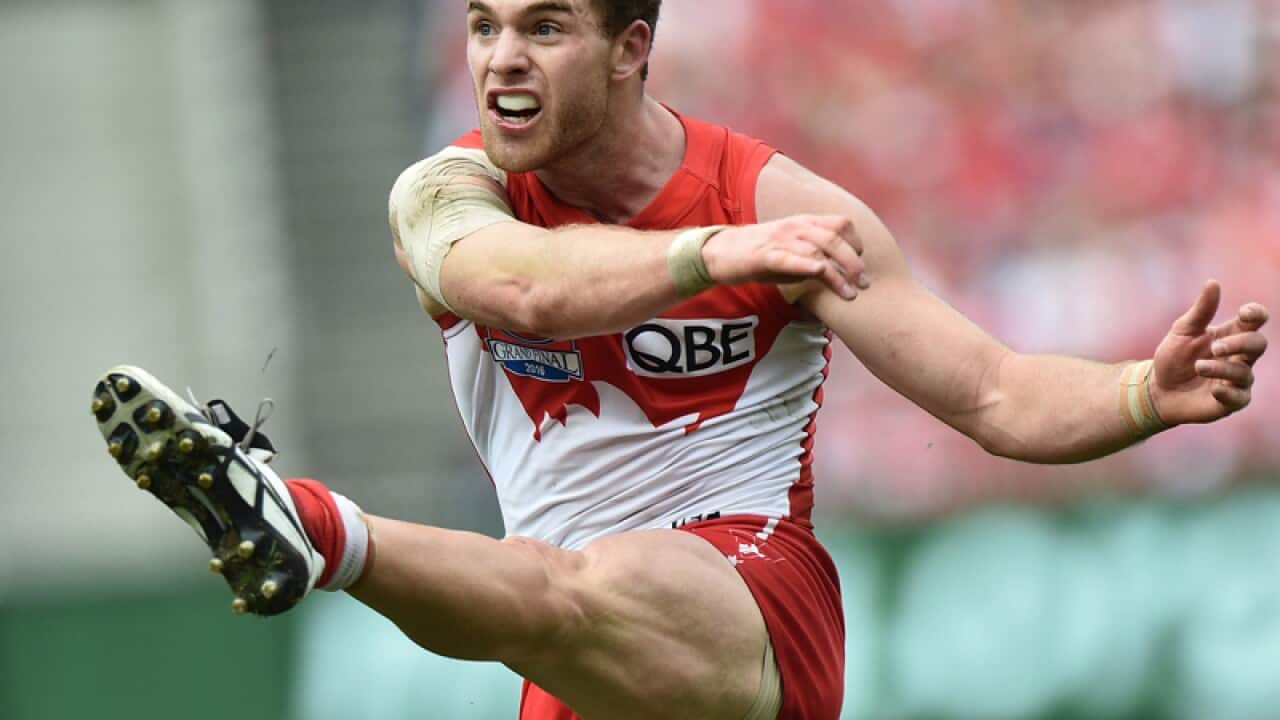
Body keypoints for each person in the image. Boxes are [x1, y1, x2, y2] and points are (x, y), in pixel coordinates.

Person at [91, 1, 1269, 718]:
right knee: (562, 595)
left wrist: (1138, 394)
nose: (501, 58)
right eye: (483, 23)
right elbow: (514, 286)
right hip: (575, 651)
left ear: (629, 48)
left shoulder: (788, 210)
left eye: (545, 26)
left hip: (747, 606)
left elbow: (999, 397)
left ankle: (311, 528)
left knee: (586, 586)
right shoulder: (447, 192)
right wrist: (715, 254)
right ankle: (310, 533)